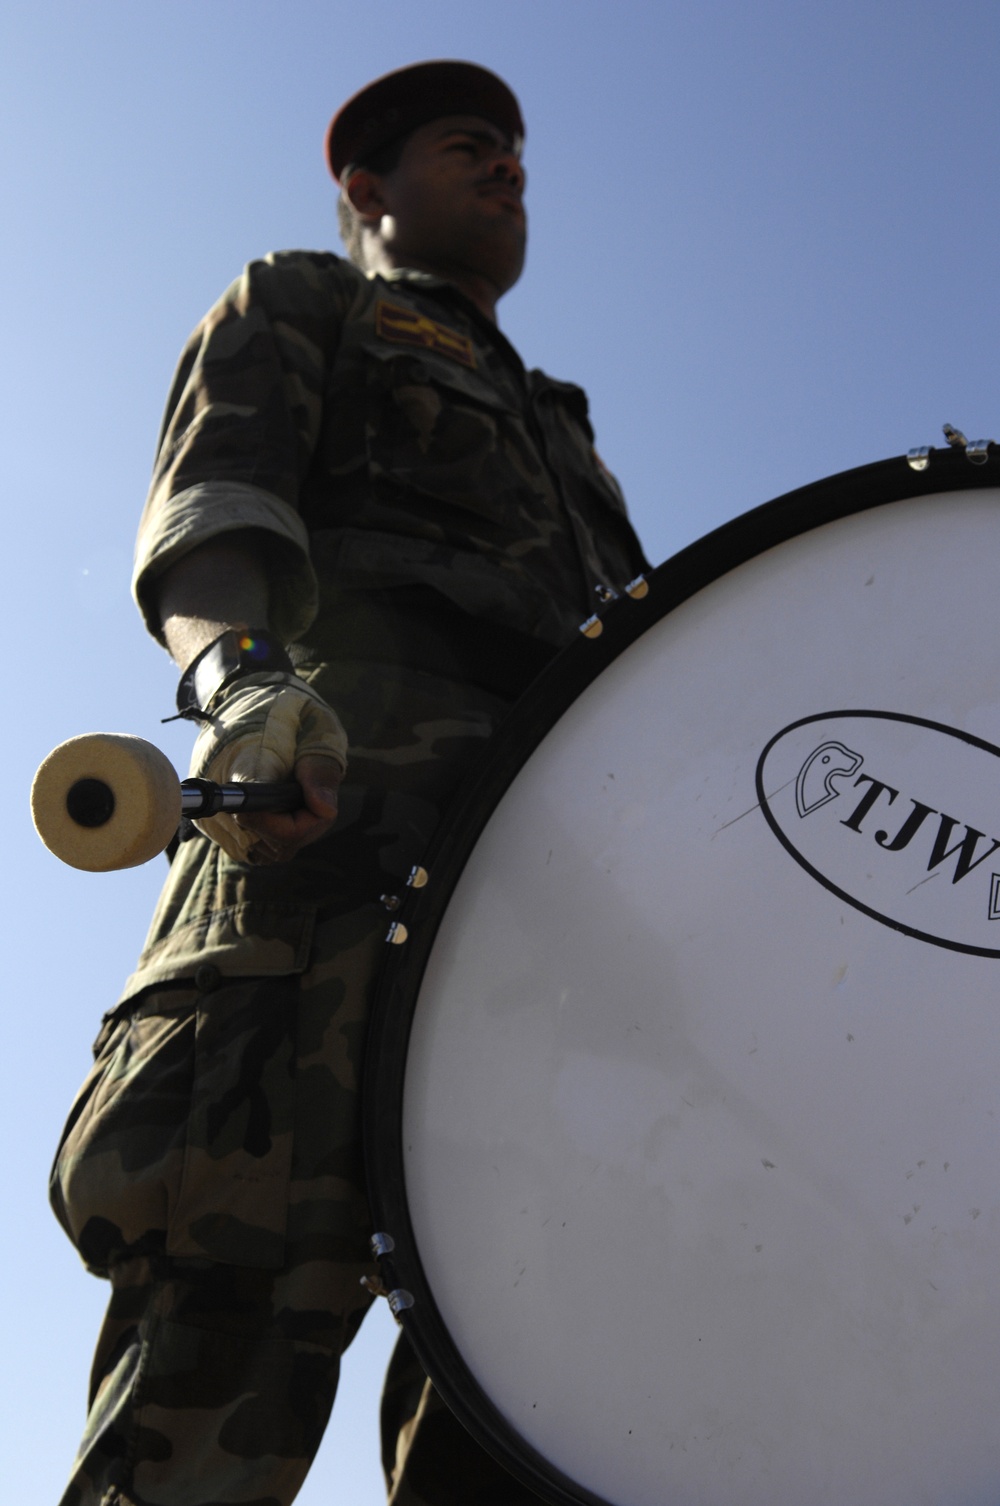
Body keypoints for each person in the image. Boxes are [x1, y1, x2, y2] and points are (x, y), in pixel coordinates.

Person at [50, 60, 649, 1506]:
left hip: (535, 949)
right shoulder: (308, 303)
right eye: (469, 147)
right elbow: (215, 513)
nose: (509, 167)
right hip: (313, 878)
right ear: (372, 192)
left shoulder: (566, 430)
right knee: (211, 1382)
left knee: (524, 1410)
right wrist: (244, 688)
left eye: (517, 150)